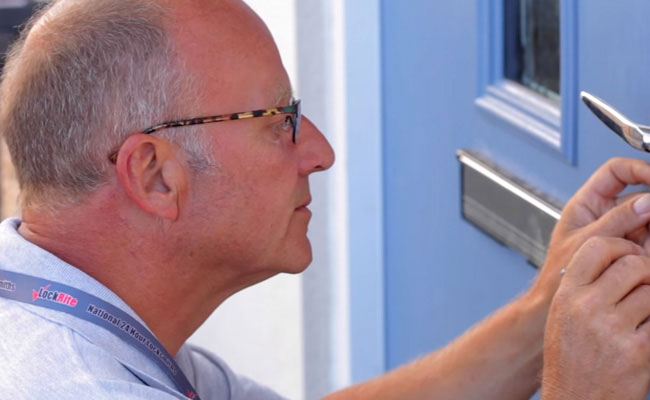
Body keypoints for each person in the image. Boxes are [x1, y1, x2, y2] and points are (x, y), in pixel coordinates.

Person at [1, 0, 650, 399]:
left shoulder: (66, 307)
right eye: (277, 120)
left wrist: (548, 310)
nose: (319, 151)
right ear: (154, 175)